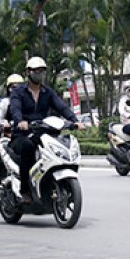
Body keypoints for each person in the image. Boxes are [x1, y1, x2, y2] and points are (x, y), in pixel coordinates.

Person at [9, 56, 84, 203]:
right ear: (28, 72)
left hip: (42, 133)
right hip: (22, 134)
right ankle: (25, 190)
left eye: (42, 71)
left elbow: (61, 107)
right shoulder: (18, 92)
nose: (40, 74)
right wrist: (20, 121)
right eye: (36, 71)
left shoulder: (47, 92)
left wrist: (75, 121)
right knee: (28, 147)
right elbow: (15, 109)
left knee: (61, 143)